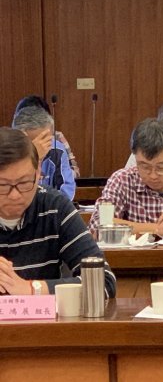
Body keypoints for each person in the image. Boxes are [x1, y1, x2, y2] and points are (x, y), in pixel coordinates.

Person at [0, 127, 115, 297]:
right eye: (3, 185)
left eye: (24, 182)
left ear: (38, 173)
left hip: (42, 314)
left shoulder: (55, 207)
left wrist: (32, 289)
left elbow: (103, 281)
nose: (15, 195)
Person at [12, 107, 76, 200]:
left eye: (47, 140)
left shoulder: (57, 150)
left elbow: (66, 194)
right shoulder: (6, 153)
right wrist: (33, 158)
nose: (43, 147)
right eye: (37, 142)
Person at [14, 95, 80, 178]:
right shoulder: (9, 143)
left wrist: (61, 172)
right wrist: (34, 158)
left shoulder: (57, 140)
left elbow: (74, 172)